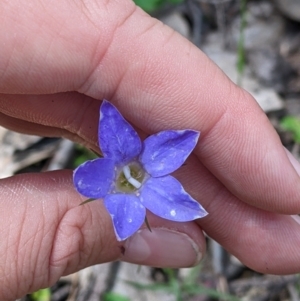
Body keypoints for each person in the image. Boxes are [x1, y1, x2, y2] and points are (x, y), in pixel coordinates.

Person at [1, 0, 300, 300]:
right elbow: (87, 179)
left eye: (129, 178)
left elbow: (180, 152)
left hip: (139, 172)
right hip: (129, 174)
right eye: (128, 178)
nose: (130, 178)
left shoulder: (140, 172)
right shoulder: (104, 180)